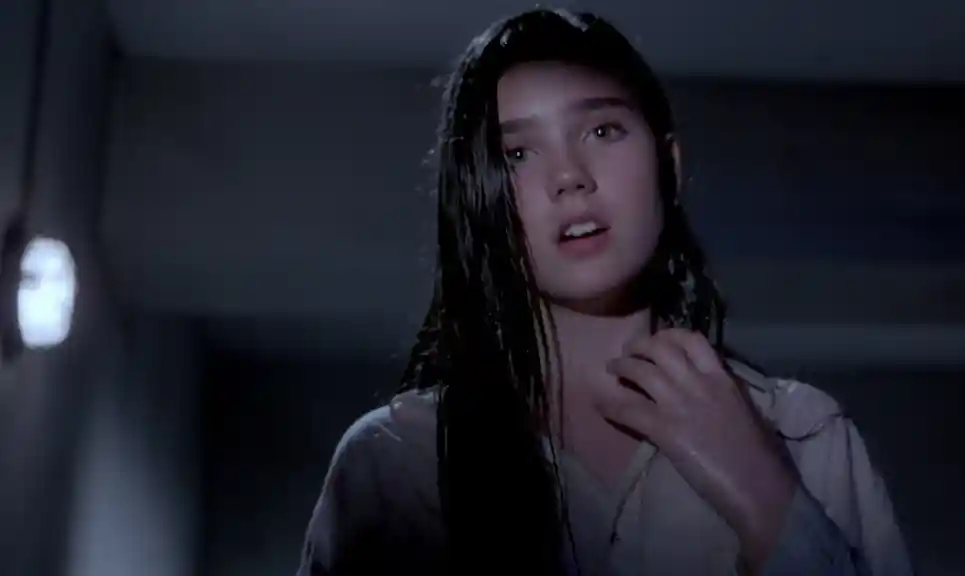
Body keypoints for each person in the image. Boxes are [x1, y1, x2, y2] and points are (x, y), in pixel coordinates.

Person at [296, 8, 914, 576]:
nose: (569, 176)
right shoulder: (395, 463)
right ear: (478, 198)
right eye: (517, 153)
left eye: (602, 130)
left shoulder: (802, 433)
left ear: (669, 166)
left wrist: (767, 497)